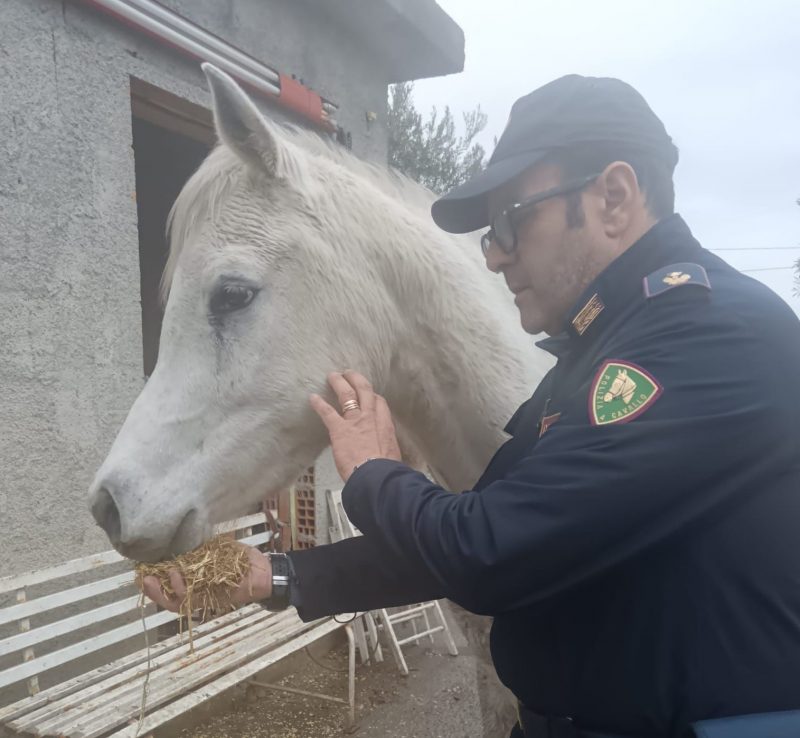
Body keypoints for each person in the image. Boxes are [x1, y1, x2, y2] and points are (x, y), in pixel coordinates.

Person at [144, 75, 800, 738]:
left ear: (614, 198)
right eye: (491, 236)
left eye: (513, 221)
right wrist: (275, 574)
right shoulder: (595, 356)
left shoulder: (711, 335)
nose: (496, 257)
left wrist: (374, 474)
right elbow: (493, 527)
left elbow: (489, 556)